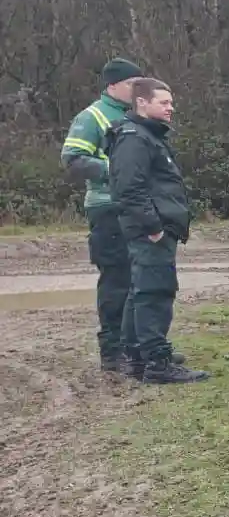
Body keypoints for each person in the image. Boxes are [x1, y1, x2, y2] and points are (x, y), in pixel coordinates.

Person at [107, 79, 209, 384]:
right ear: (142, 103)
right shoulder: (134, 139)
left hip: (156, 226)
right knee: (155, 291)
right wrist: (153, 227)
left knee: (141, 290)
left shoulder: (146, 136)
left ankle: (137, 354)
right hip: (151, 229)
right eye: (163, 102)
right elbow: (129, 189)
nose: (170, 108)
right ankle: (157, 363)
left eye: (170, 103)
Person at [59, 58, 148, 371]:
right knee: (116, 280)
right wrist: (116, 171)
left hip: (138, 207)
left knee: (142, 280)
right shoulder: (92, 116)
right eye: (131, 85)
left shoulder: (137, 115)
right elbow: (72, 159)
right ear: (112, 86)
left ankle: (138, 346)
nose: (137, 90)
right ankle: (112, 352)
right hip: (107, 208)